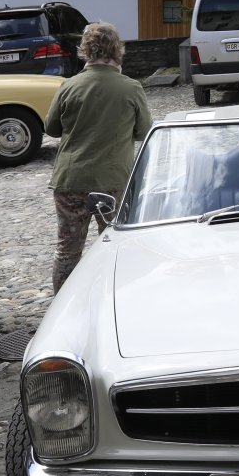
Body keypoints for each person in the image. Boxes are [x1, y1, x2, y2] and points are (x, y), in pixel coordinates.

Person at [45, 22, 153, 293]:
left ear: (85, 50)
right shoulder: (130, 88)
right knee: (117, 246)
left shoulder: (69, 86)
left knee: (68, 250)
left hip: (71, 179)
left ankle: (64, 307)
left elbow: (51, 128)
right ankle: (117, 299)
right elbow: (144, 131)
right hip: (112, 181)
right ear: (117, 50)